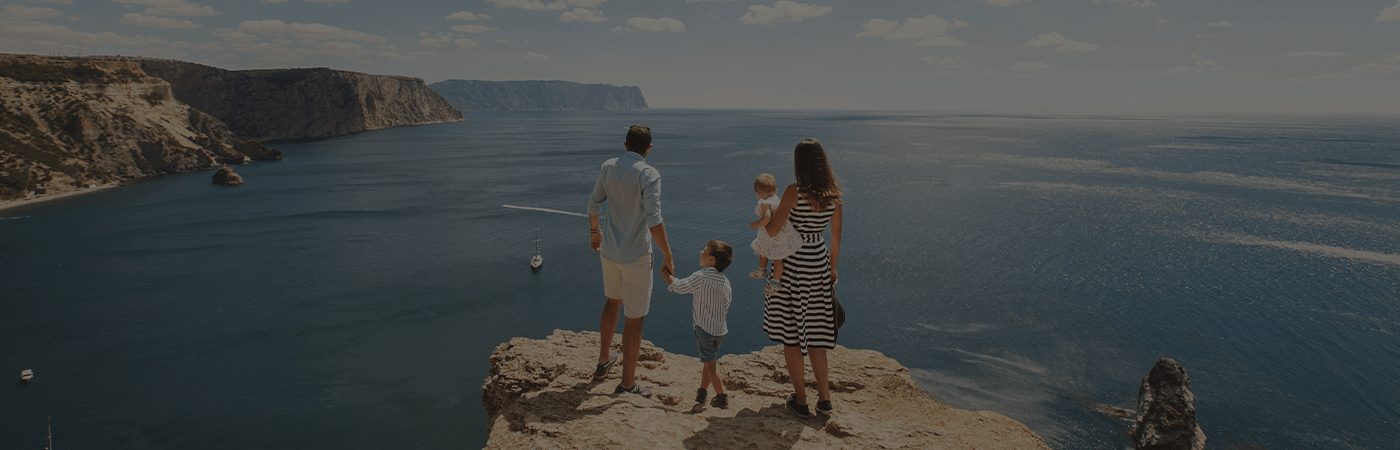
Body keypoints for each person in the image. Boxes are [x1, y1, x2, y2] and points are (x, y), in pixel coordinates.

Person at [587, 124, 675, 398]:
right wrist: (668, 254)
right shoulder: (649, 173)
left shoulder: (609, 165)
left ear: (625, 144)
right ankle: (627, 384)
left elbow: (593, 205)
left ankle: (603, 362)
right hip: (636, 255)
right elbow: (654, 219)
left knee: (612, 301)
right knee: (634, 319)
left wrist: (594, 232)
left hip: (610, 251)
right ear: (649, 148)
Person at [762, 138, 844, 417]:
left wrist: (769, 213)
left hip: (794, 264)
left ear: (800, 164)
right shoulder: (833, 195)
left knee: (792, 335)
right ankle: (825, 398)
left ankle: (801, 400)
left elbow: (773, 231)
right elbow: (836, 240)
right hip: (818, 262)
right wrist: (832, 268)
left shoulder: (793, 193)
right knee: (818, 333)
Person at [663, 240, 735, 409]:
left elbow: (680, 287)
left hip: (705, 329)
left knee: (710, 365)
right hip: (720, 330)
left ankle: (721, 397)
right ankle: (701, 393)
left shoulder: (700, 277)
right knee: (709, 361)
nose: (700, 251)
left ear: (711, 260)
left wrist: (668, 277)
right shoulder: (725, 281)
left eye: (704, 250)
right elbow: (727, 303)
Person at [748, 173, 802, 296]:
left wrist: (756, 224)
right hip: (782, 235)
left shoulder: (764, 203)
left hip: (770, 234)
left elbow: (767, 218)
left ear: (758, 193)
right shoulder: (777, 199)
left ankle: (762, 270)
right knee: (778, 259)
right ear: (775, 189)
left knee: (762, 251)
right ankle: (775, 282)